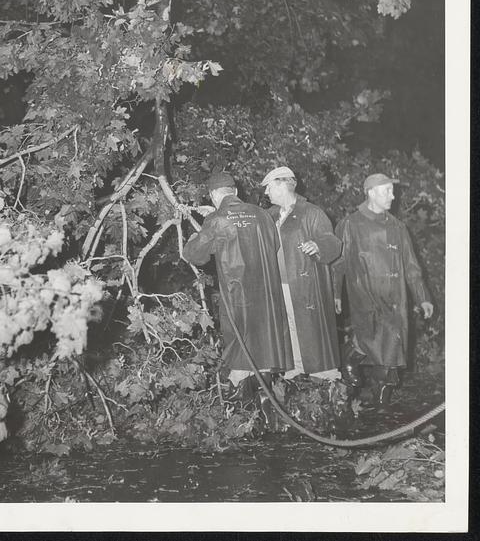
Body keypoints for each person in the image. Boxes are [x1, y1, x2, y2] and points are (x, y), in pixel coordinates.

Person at [183, 171, 293, 409]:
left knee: (240, 346)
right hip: (267, 295)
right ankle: (267, 409)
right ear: (234, 192)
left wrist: (196, 234)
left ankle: (244, 412)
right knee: (263, 347)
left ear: (213, 195)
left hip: (237, 296)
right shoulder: (262, 215)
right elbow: (273, 245)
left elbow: (195, 255)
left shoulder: (217, 219)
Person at [333, 173, 434, 406]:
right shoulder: (350, 224)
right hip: (365, 296)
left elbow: (411, 266)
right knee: (366, 339)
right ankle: (347, 366)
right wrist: (335, 293)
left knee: (391, 354)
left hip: (395, 299)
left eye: (392, 190)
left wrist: (422, 297)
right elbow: (338, 264)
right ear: (370, 192)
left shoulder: (398, 227)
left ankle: (382, 405)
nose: (393, 195)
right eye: (386, 190)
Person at [261, 166, 343, 382]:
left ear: (282, 183)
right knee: (288, 325)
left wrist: (318, 245)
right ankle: (296, 365)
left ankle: (324, 372)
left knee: (311, 326)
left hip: (305, 282)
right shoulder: (269, 215)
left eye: (268, 187)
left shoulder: (312, 212)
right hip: (278, 282)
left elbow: (333, 242)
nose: (266, 193)